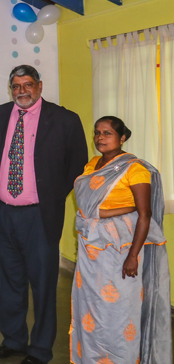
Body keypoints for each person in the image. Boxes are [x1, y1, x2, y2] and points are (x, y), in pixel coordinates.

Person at [0, 65, 87, 364]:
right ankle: (13, 340)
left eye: (28, 85)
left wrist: (51, 196)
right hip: (1, 215)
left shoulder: (65, 119)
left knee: (43, 285)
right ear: (10, 89)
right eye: (16, 86)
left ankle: (40, 349)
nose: (22, 91)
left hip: (39, 217)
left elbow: (77, 165)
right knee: (7, 283)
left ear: (39, 85)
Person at [70, 116, 171, 364]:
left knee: (119, 308)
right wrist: (115, 210)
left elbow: (144, 214)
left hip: (121, 248)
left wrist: (133, 256)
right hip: (90, 248)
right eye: (97, 133)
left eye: (108, 133)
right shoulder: (92, 164)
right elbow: (86, 206)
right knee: (91, 306)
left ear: (122, 137)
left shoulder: (135, 169)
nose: (100, 138)